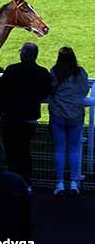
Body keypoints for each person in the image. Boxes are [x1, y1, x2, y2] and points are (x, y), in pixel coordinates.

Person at [0, 42, 52, 190]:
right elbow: (46, 92)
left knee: (11, 152)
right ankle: (25, 183)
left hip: (10, 118)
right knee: (24, 151)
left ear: (22, 55)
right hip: (29, 118)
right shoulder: (42, 72)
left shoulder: (11, 70)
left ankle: (12, 183)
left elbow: (1, 91)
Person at [48, 47, 90, 196]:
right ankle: (73, 183)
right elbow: (85, 90)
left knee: (59, 149)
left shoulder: (54, 72)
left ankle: (59, 184)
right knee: (74, 149)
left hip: (58, 114)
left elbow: (49, 90)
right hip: (76, 115)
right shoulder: (80, 73)